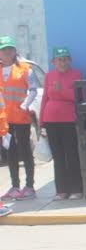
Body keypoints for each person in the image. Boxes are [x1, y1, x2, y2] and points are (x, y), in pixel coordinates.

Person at [40, 47, 83, 200]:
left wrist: (61, 91)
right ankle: (61, 190)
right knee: (58, 157)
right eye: (59, 59)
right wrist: (41, 122)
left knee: (71, 155)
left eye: (65, 59)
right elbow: (45, 97)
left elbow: (79, 97)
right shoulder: (49, 76)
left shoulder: (76, 74)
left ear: (69, 60)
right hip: (51, 120)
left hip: (68, 120)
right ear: (54, 62)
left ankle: (76, 189)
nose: (62, 62)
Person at [0, 36, 39, 201]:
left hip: (21, 116)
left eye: (10, 49)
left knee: (25, 150)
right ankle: (15, 186)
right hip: (5, 119)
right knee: (10, 152)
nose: (7, 52)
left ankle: (29, 186)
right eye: (4, 49)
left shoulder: (25, 69)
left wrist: (25, 104)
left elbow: (33, 90)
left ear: (15, 51)